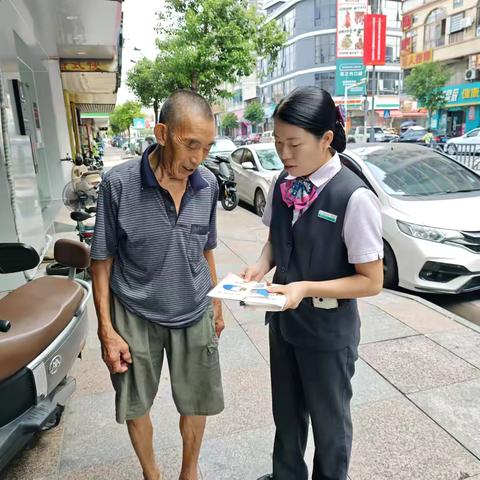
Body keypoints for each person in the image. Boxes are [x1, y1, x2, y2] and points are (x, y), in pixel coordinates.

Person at [242, 86, 384, 480]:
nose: (284, 154)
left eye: (294, 144)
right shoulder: (282, 184)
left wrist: (304, 288)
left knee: (329, 425)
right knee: (286, 415)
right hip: (284, 325)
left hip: (327, 332)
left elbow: (371, 282)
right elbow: (276, 242)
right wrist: (259, 266)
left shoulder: (353, 198)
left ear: (326, 139)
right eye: (277, 142)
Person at [90, 90, 224, 480]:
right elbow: (102, 260)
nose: (197, 159)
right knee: (134, 404)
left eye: (207, 147)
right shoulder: (119, 185)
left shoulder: (209, 184)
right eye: (190, 144)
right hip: (134, 312)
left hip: (194, 306)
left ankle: (189, 472)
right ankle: (153, 475)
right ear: (162, 132)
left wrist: (215, 304)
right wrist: (106, 329)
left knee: (197, 400)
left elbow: (207, 248)